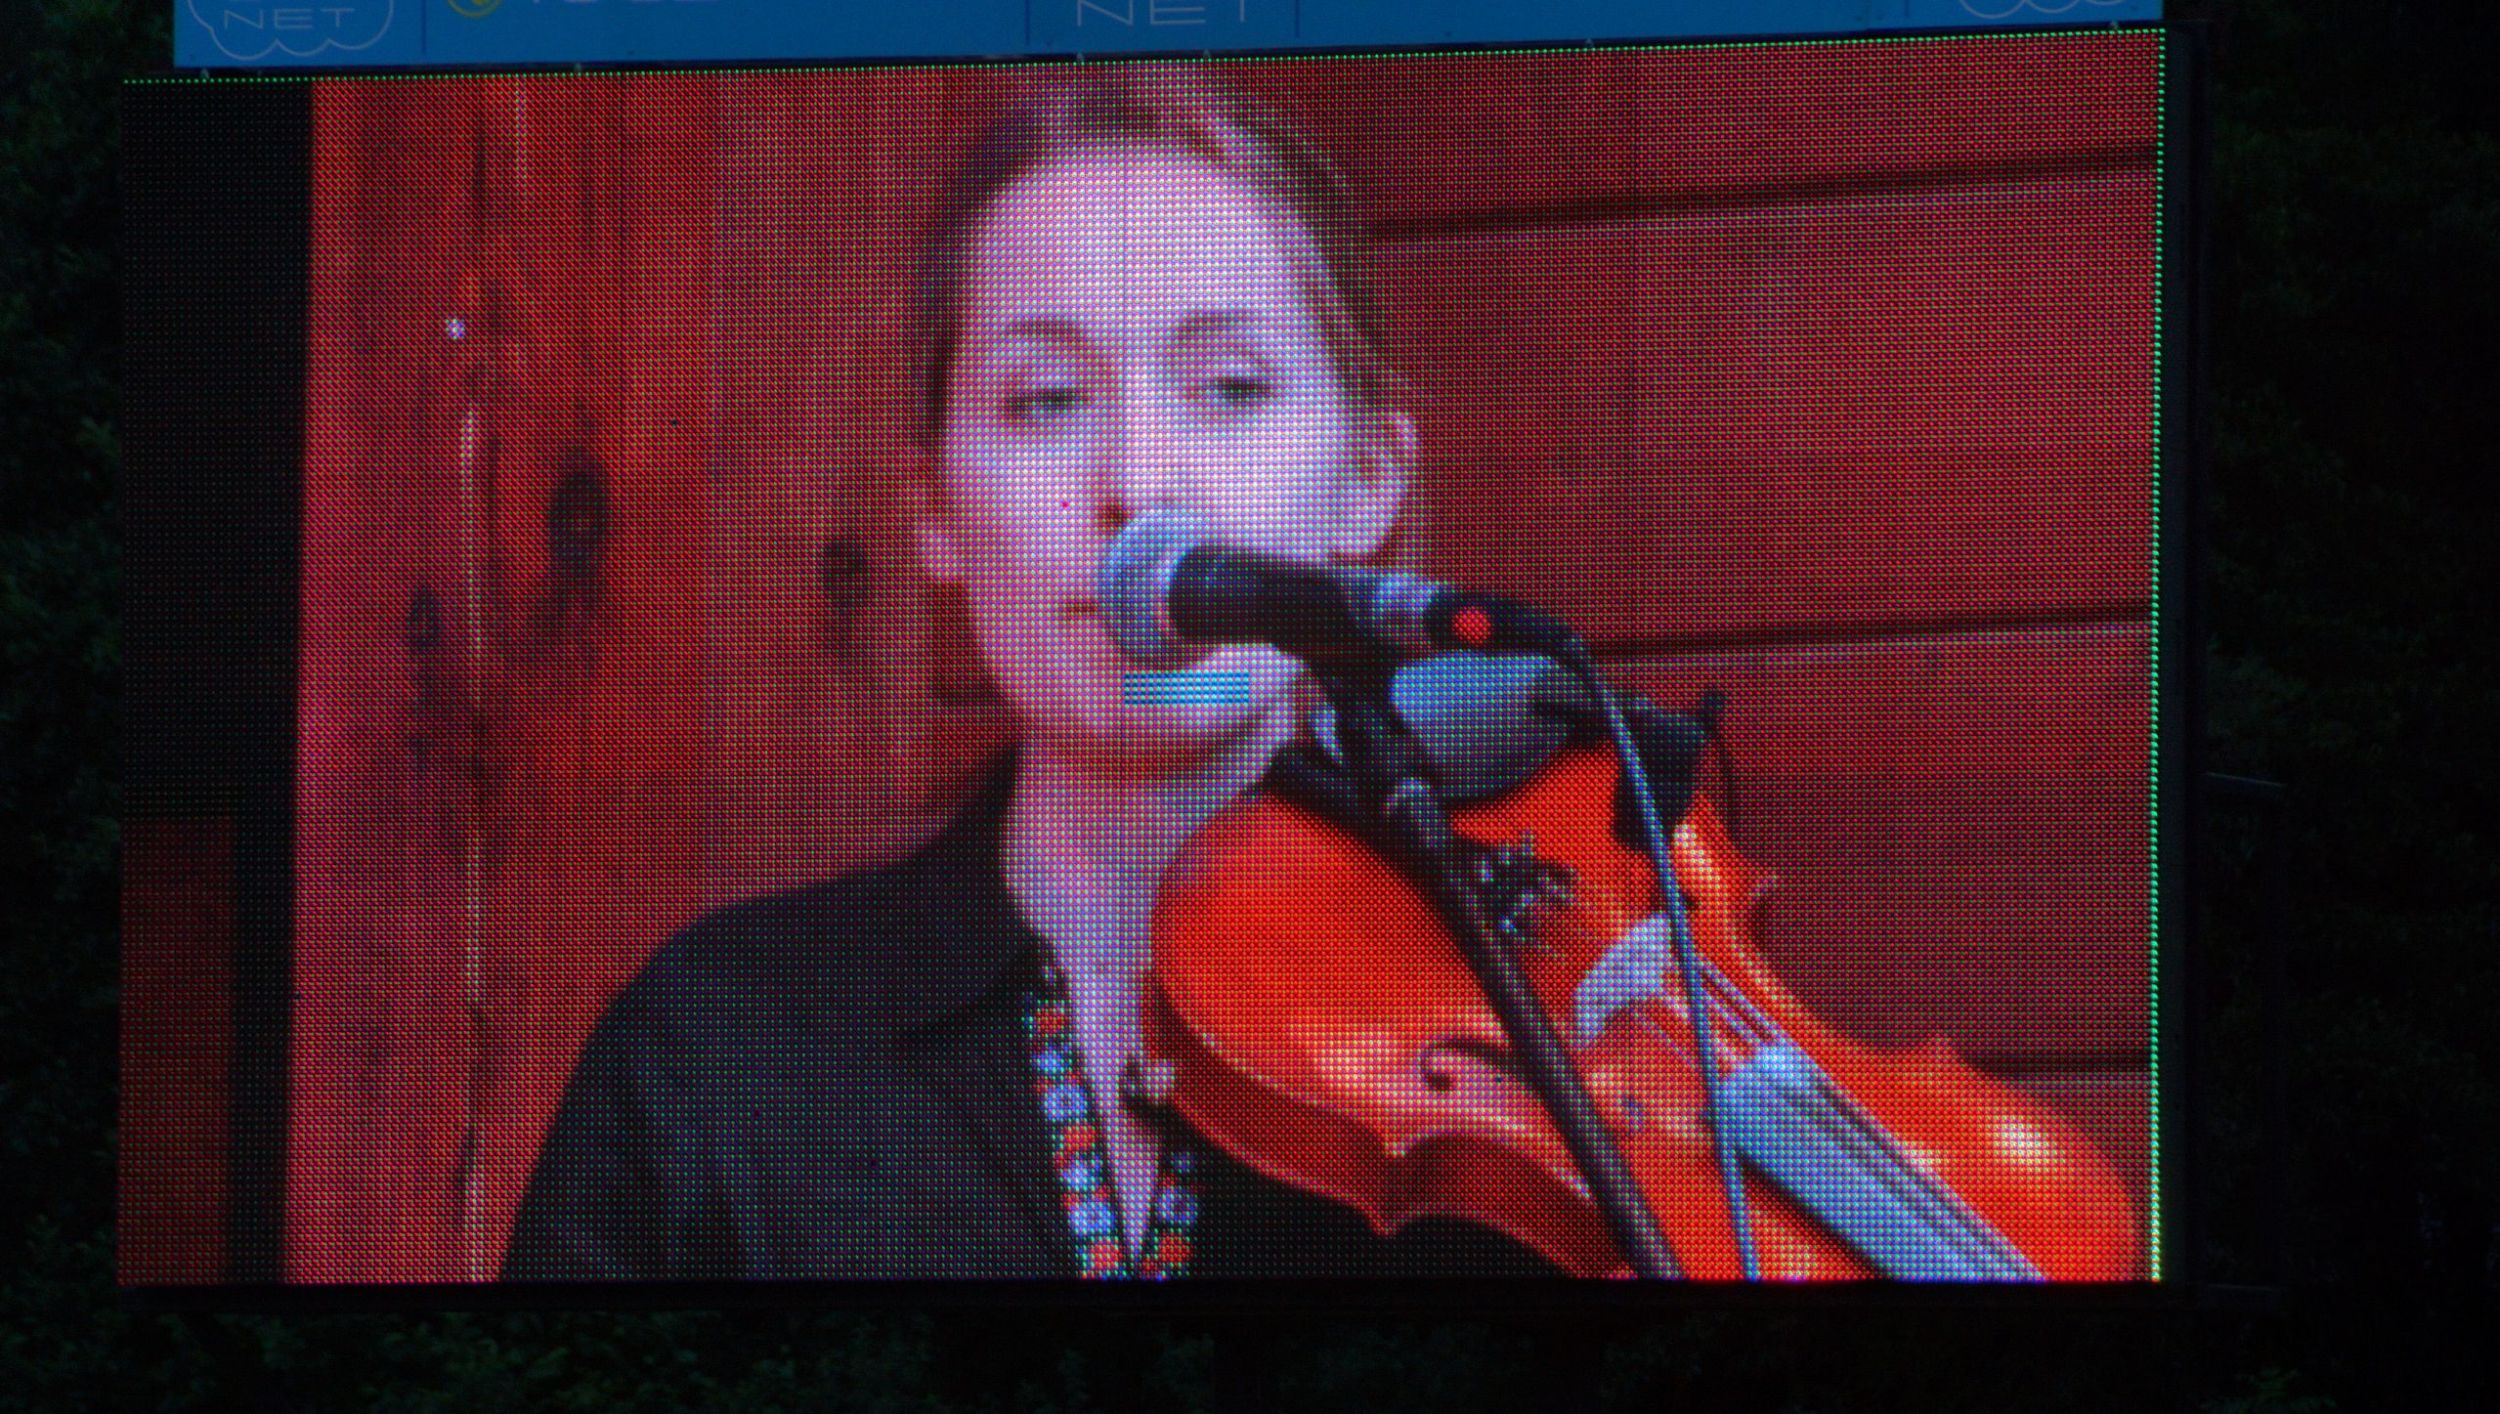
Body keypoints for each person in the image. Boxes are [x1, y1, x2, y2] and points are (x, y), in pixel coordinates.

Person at [502, 66, 1562, 1281]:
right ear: (935, 511)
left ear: (1364, 481)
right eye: (1048, 400)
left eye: (1230, 388)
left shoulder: (1524, 1052)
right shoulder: (722, 1051)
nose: (1139, 483)